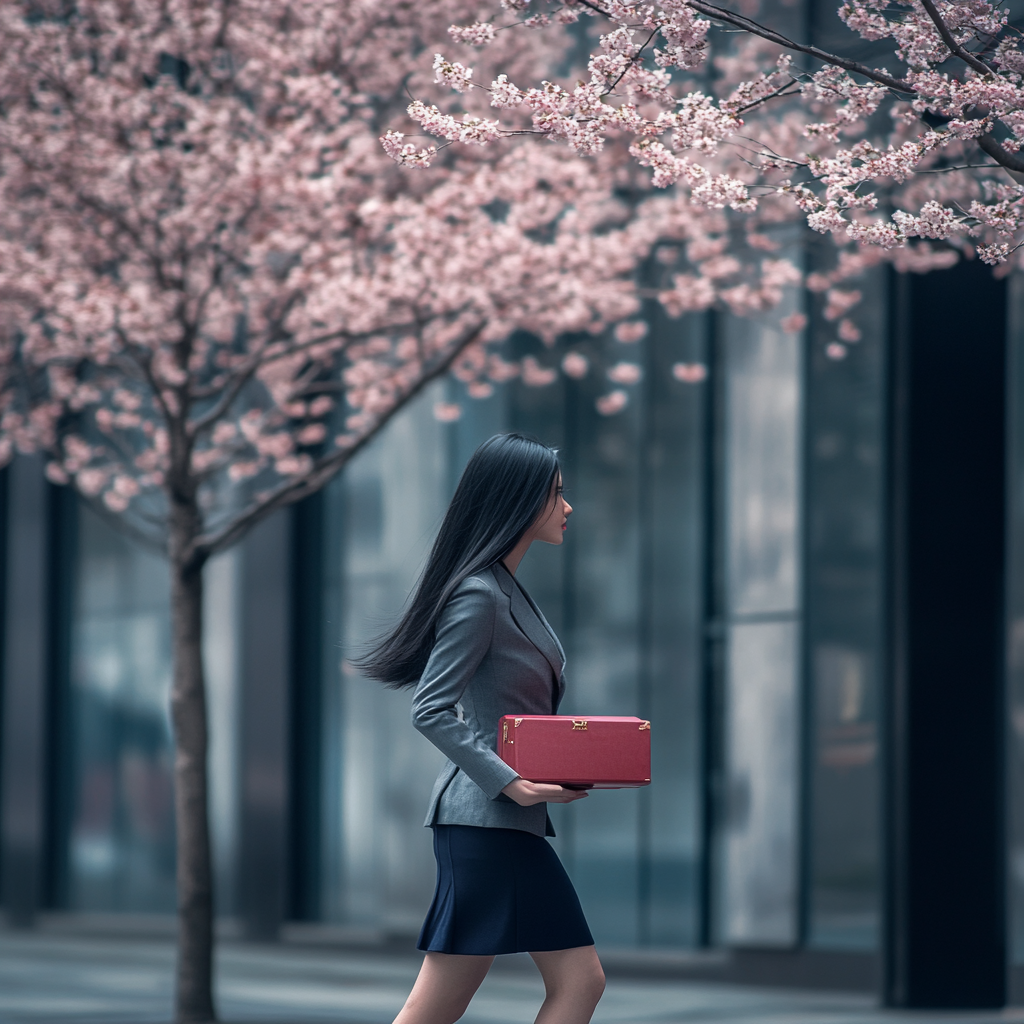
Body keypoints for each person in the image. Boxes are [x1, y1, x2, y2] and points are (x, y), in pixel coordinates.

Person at [359, 432, 605, 1024]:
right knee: (574, 982)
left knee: (452, 1002)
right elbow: (431, 708)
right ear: (516, 502)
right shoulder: (479, 595)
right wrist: (513, 782)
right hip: (486, 824)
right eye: (556, 495)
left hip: (500, 826)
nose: (568, 508)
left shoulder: (502, 588)